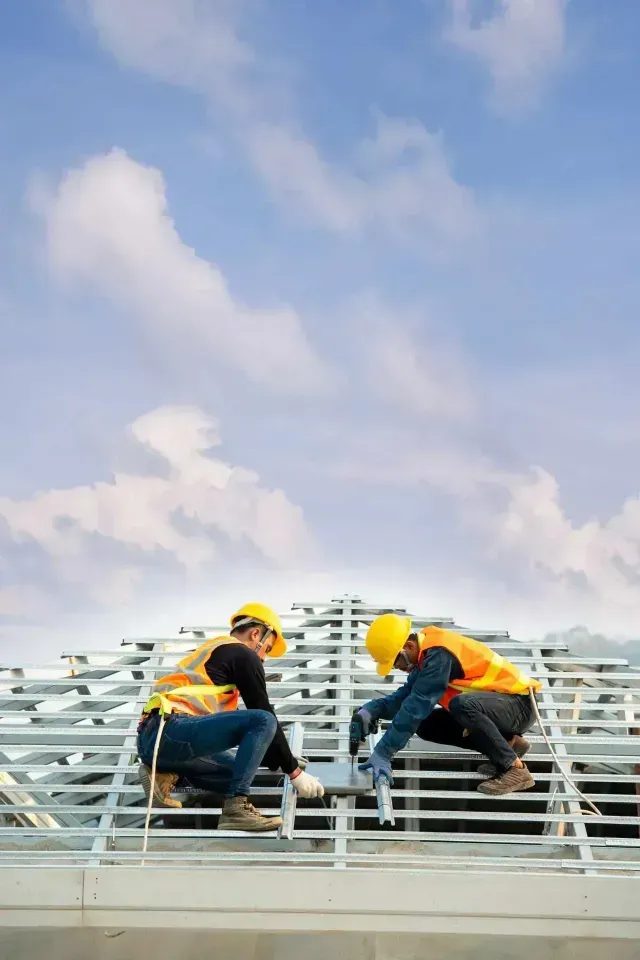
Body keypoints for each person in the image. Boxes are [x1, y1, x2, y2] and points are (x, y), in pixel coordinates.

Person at [137, 602, 324, 832]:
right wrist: (294, 772)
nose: (264, 658)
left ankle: (165, 775)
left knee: (237, 773)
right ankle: (236, 808)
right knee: (263, 720)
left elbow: (241, 733)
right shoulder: (242, 653)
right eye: (266, 648)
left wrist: (278, 756)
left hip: (157, 741)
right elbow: (263, 713)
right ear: (256, 634)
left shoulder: (216, 654)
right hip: (171, 728)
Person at [355, 614, 542, 796]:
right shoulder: (425, 658)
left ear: (409, 646)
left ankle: (514, 768)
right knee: (427, 725)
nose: (397, 668)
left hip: (520, 705)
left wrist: (384, 751)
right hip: (502, 708)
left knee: (461, 705)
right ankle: (509, 744)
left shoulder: (438, 655)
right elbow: (403, 700)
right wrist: (371, 710)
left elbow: (415, 708)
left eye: (396, 662)